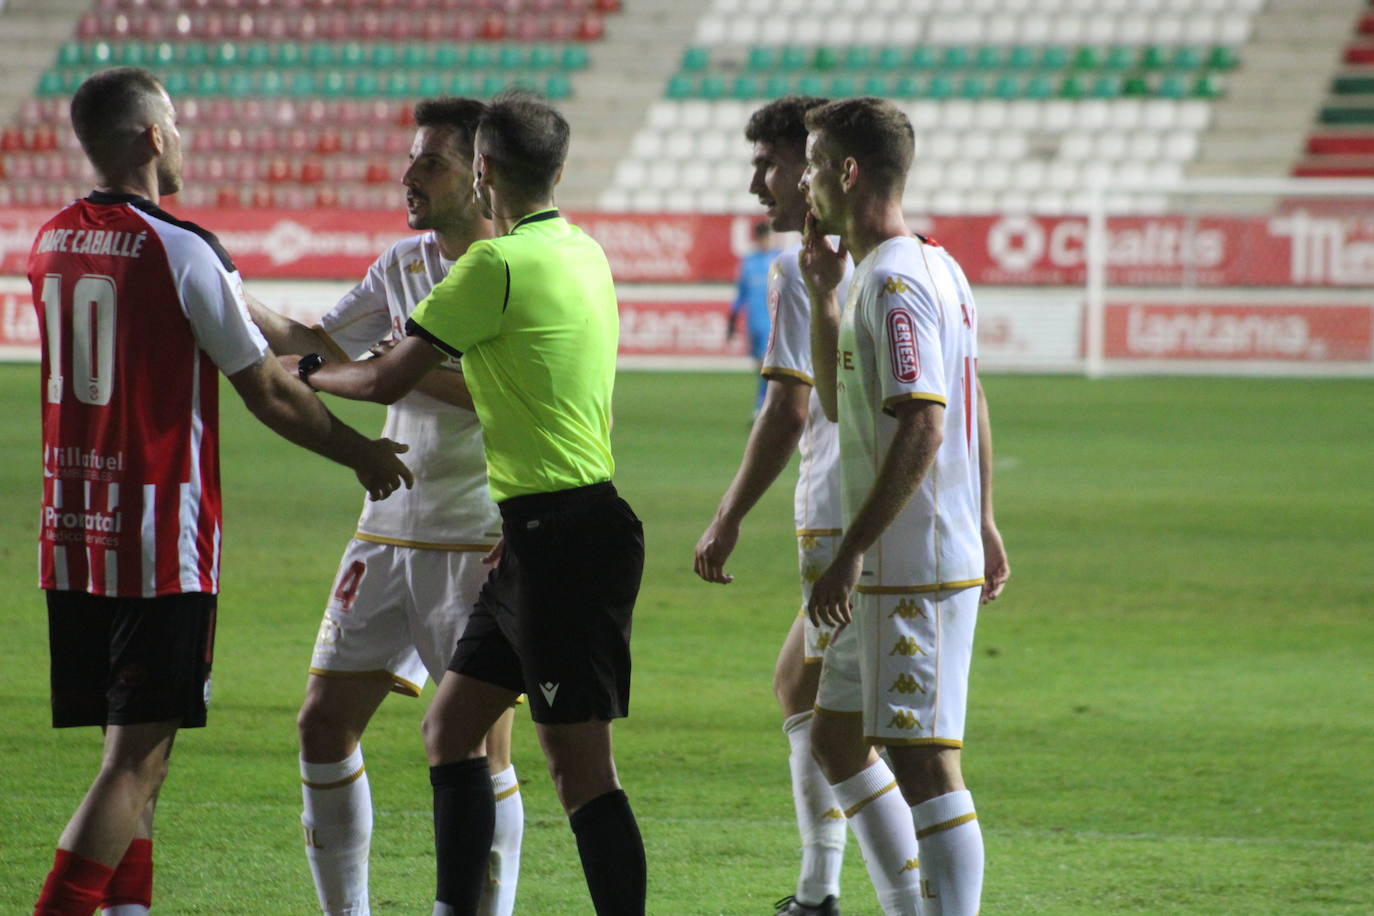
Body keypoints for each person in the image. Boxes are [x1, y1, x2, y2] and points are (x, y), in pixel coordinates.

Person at [27, 67, 412, 916]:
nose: (185, 134)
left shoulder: (50, 239)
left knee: (127, 753)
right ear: (153, 138)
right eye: (176, 121)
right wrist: (362, 455)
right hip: (161, 539)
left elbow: (239, 320)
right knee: (138, 762)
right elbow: (268, 391)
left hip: (73, 530)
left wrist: (323, 341)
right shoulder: (180, 248)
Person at [277, 90, 646, 916]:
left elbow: (381, 378)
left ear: (482, 173)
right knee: (449, 732)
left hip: (565, 538)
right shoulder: (583, 252)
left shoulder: (493, 266)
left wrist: (310, 376)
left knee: (580, 771)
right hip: (533, 532)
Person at [246, 97, 524, 916]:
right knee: (321, 724)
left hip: (477, 534)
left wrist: (388, 367)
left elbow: (501, 394)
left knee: (479, 750)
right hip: (389, 522)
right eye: (412, 158)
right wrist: (232, 293)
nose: (409, 175)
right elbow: (314, 346)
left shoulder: (515, 268)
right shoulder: (399, 265)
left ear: (479, 176)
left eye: (431, 161)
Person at [798, 97, 1010, 916]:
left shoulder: (892, 281)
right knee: (834, 735)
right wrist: (988, 516)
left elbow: (927, 420)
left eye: (814, 167)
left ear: (848, 173)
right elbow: (967, 393)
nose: (807, 185)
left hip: (905, 563)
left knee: (925, 762)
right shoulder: (931, 266)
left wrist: (850, 551)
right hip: (907, 555)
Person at [693, 95, 856, 916]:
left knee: (879, 740)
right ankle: (818, 890)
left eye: (769, 164)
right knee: (802, 688)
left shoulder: (806, 266)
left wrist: (727, 516)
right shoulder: (915, 255)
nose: (756, 182)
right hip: (889, 519)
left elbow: (788, 409)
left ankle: (844, 895)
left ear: (816, 164)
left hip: (849, 521)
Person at [729, 220, 781, 413]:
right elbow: (741, 294)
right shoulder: (749, 263)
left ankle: (762, 406)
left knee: (768, 366)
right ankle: (765, 404)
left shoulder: (779, 259)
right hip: (755, 323)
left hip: (774, 322)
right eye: (762, 237)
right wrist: (732, 320)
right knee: (762, 367)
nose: (765, 241)